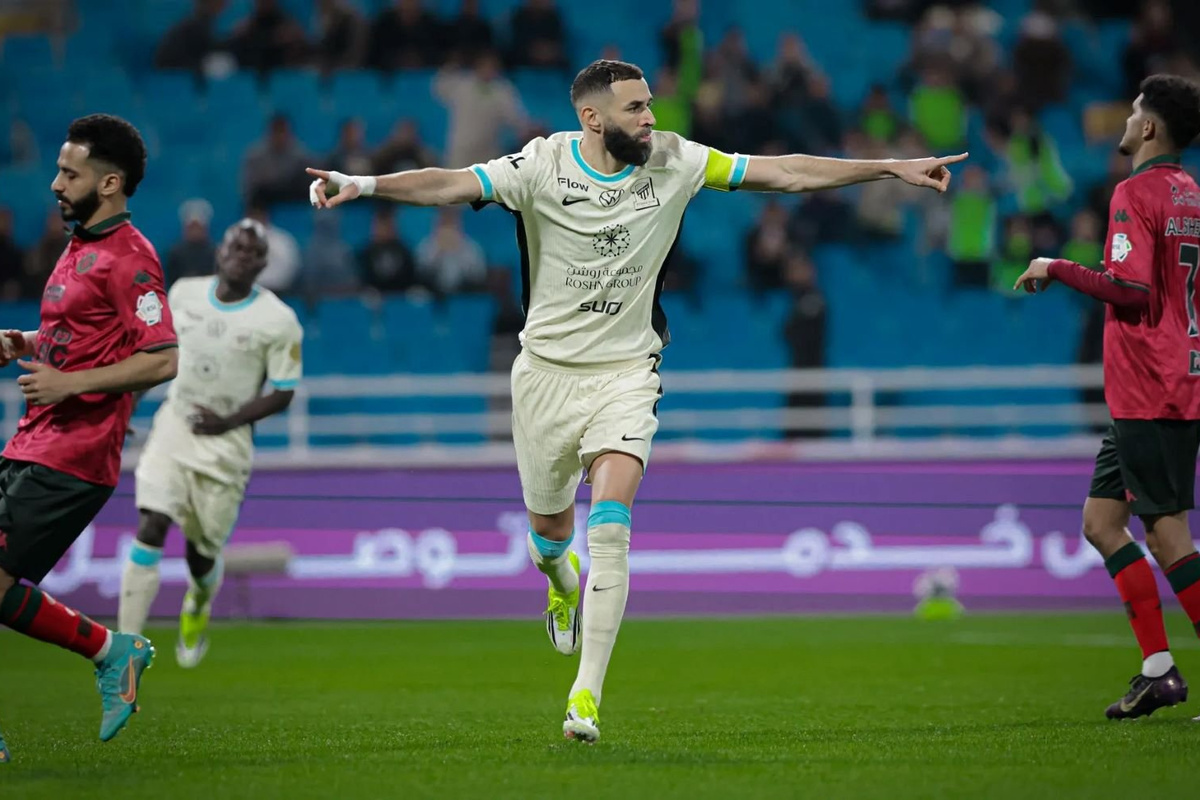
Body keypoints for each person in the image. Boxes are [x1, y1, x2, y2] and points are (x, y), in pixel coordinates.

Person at [306, 59, 965, 743]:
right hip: (545, 378)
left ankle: (585, 696)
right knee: (549, 540)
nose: (651, 118)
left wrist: (888, 166)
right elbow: (449, 183)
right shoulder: (540, 165)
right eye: (635, 109)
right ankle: (561, 583)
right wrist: (365, 184)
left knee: (611, 526)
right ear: (592, 118)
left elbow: (787, 173)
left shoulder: (677, 160)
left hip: (626, 374)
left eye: (650, 105)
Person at [1014, 74, 1200, 720]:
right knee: (1100, 522)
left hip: (1153, 385)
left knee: (1169, 536)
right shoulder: (1191, 194)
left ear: (1148, 127)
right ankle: (1158, 671)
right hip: (1166, 380)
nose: (1124, 121)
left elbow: (1131, 290)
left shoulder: (1135, 192)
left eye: (1133, 112)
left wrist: (1055, 267)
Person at [0, 115, 178, 759]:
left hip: (75, 456)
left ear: (109, 183)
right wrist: (24, 343)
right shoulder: (79, 246)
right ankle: (111, 650)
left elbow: (163, 359)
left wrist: (68, 385)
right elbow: (80, 336)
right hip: (31, 442)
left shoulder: (131, 257)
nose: (55, 183)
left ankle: (110, 651)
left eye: (68, 173)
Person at [118, 219, 302, 668]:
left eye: (252, 252)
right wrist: (126, 407)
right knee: (152, 524)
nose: (241, 256)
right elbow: (156, 357)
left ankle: (198, 602)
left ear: (262, 264)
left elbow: (283, 391)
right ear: (220, 252)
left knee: (200, 555)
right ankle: (123, 650)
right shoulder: (184, 294)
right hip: (176, 425)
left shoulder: (278, 321)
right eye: (235, 247)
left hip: (226, 445)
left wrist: (229, 421)